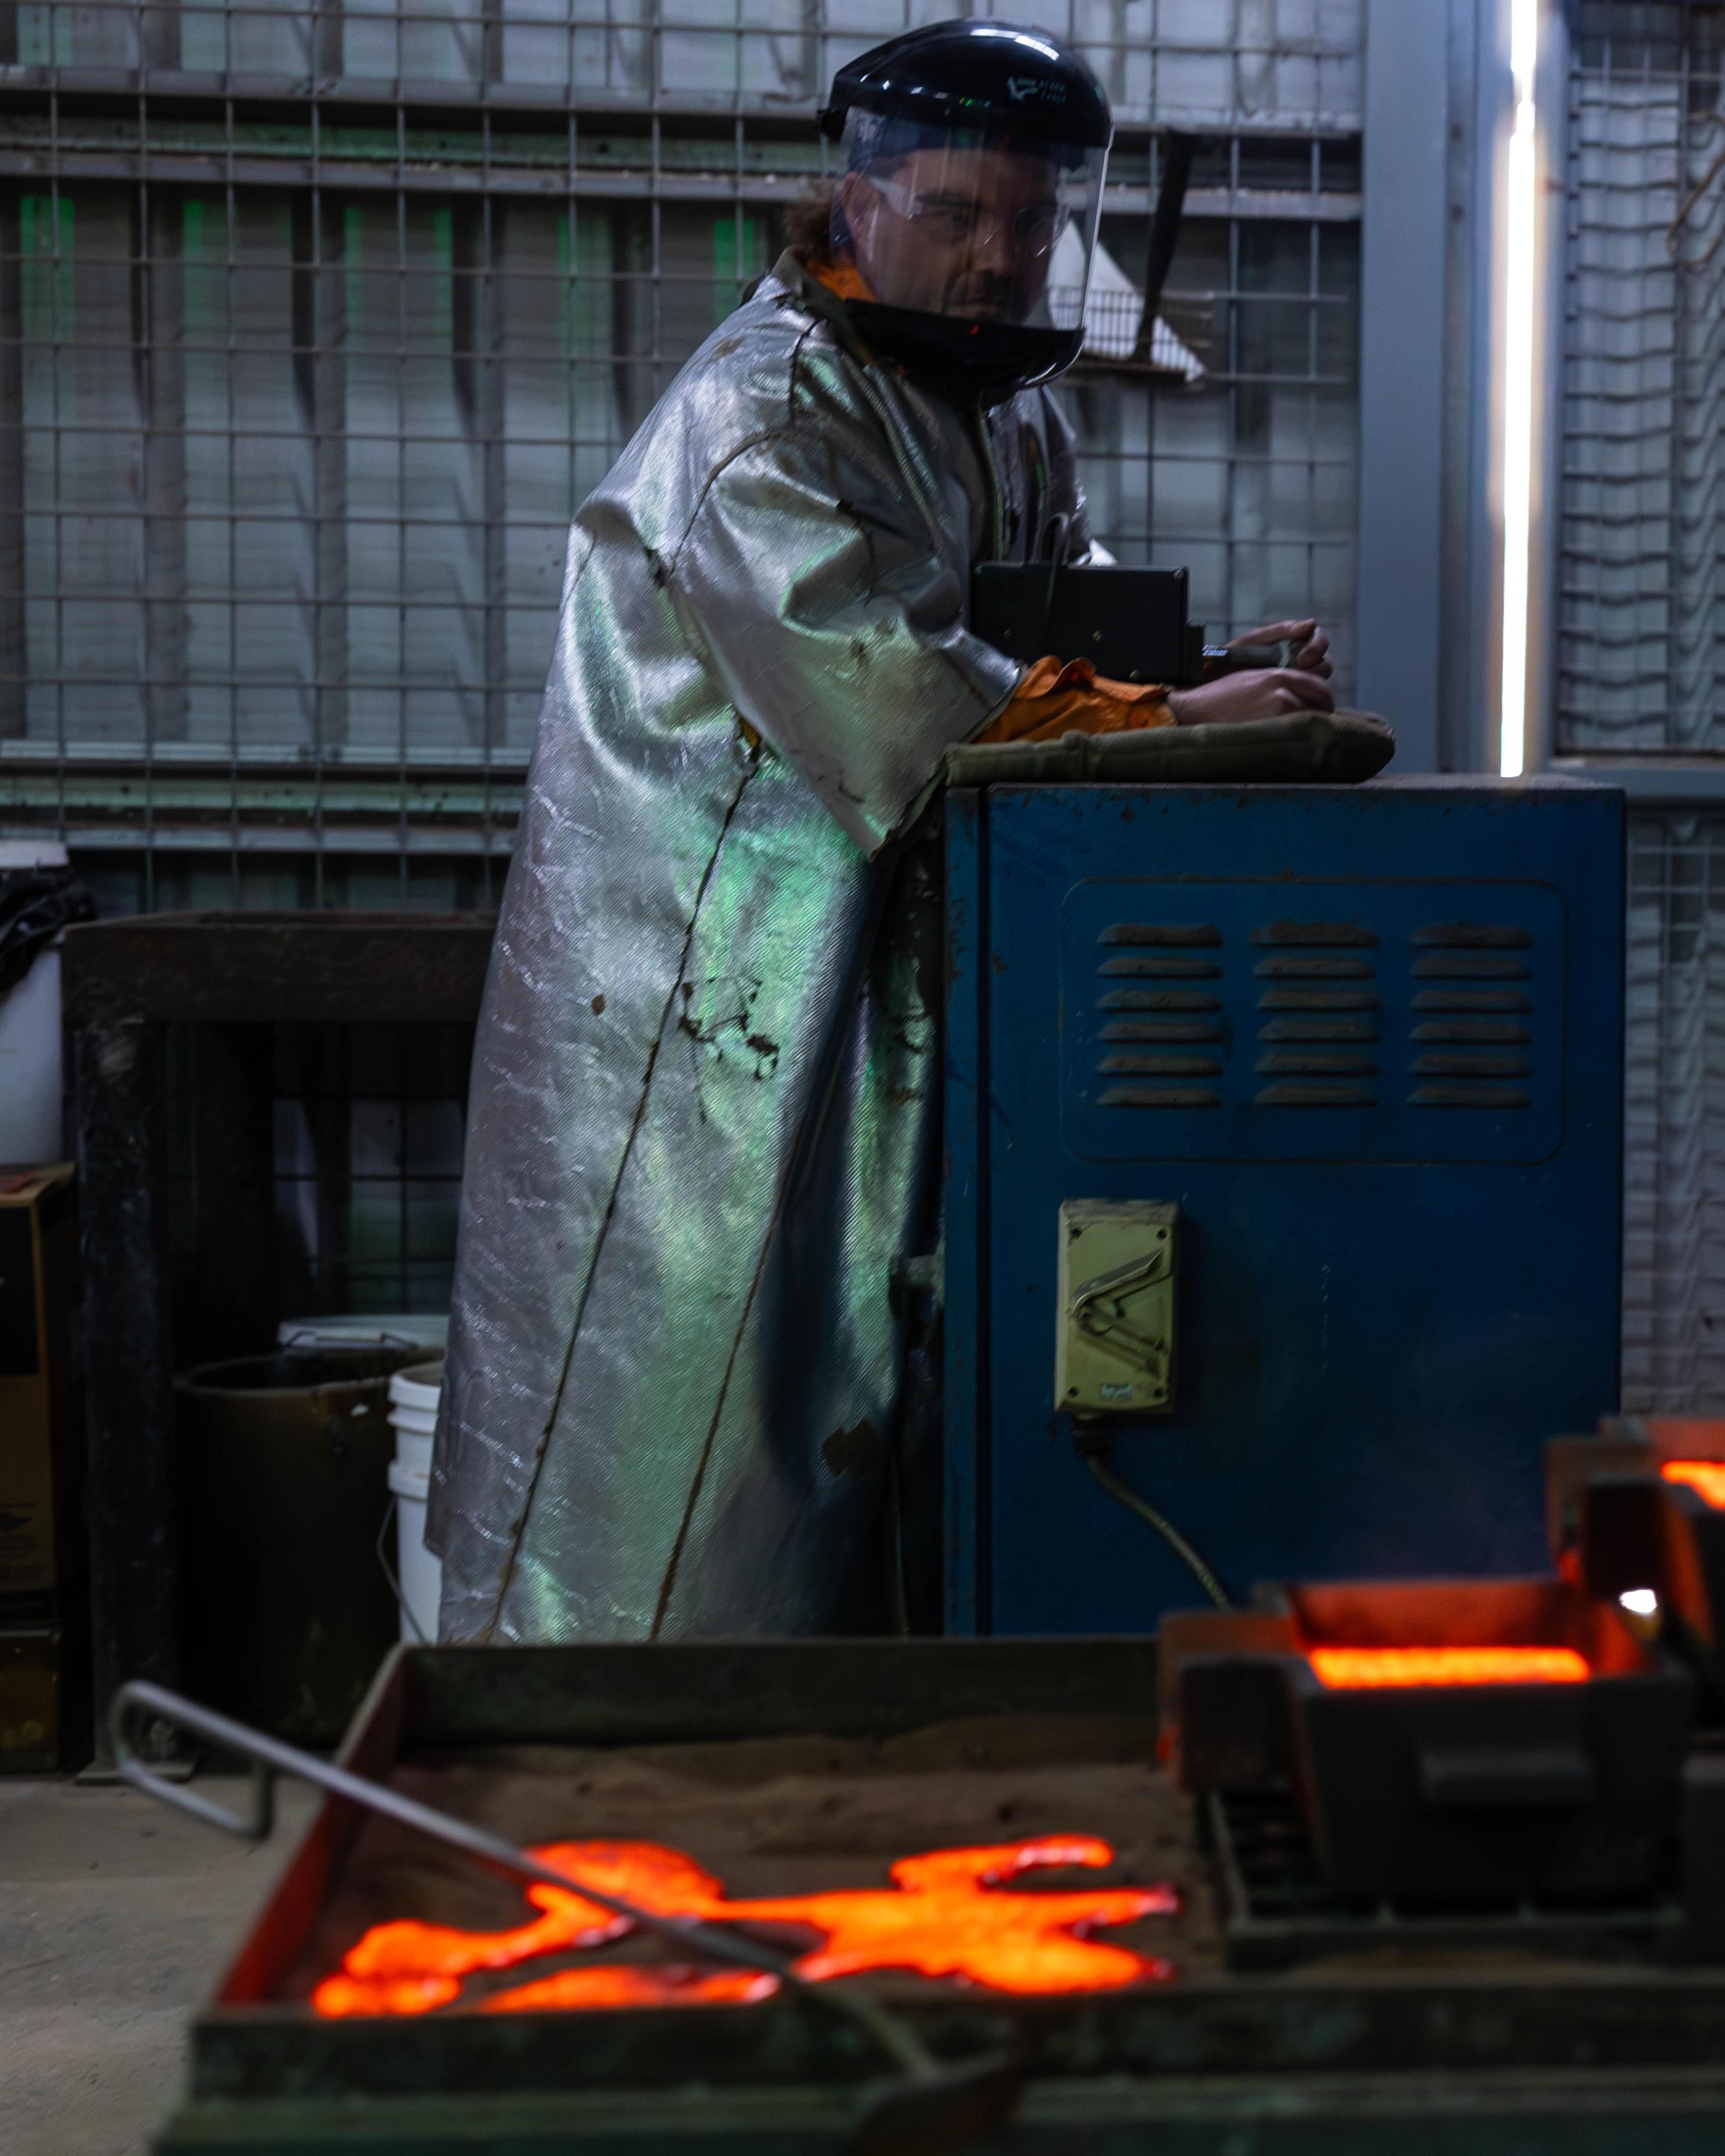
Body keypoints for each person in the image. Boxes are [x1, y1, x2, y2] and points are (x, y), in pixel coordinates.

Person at [429, 20, 1330, 1643]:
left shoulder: (994, 409)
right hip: (719, 1007)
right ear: (856, 202)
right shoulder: (765, 416)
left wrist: (1197, 665)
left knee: (867, 1410)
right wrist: (1182, 721)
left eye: (1031, 219)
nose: (998, 253)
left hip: (879, 997)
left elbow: (1042, 618)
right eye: (956, 211)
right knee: (696, 1439)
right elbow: (897, 693)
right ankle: (618, 1752)